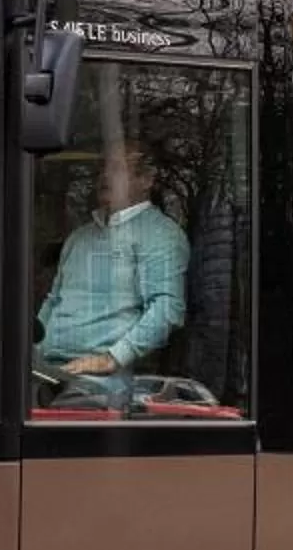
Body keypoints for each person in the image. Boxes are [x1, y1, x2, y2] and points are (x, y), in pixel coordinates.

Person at [36, 142, 188, 393]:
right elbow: (53, 302)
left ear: (146, 180)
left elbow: (166, 309)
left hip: (105, 381)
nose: (104, 176)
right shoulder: (79, 237)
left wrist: (112, 358)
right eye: (102, 169)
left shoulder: (161, 235)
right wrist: (29, 352)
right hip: (49, 372)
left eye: (117, 169)